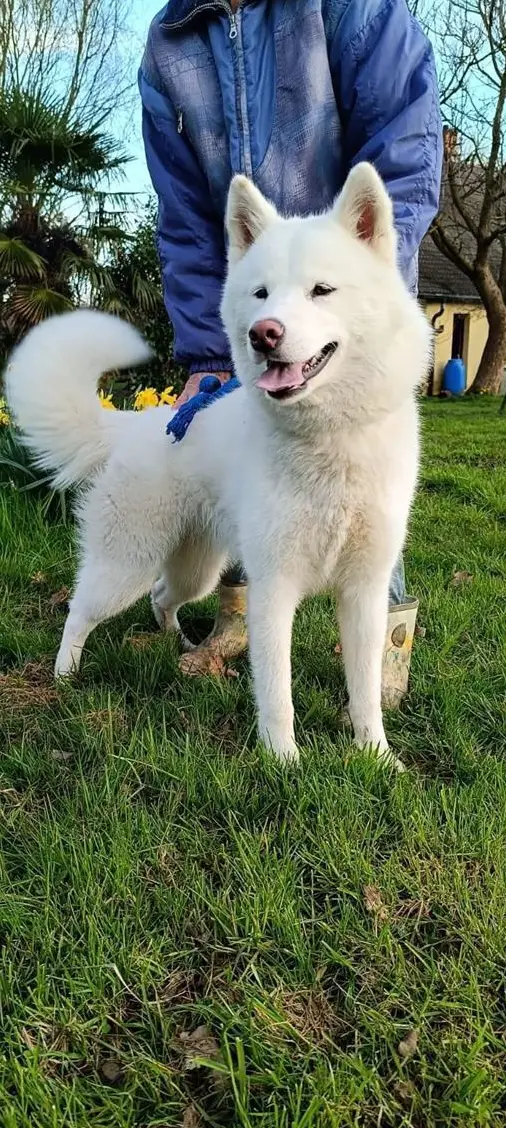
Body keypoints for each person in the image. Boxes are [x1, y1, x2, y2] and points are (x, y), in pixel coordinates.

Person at [139, 0, 442, 685]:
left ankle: (378, 634)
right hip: (255, 294)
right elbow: (188, 223)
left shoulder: (353, 7)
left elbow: (401, 149)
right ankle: (243, 607)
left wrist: (358, 281)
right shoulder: (166, 45)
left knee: (364, 466)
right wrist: (208, 353)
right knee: (263, 470)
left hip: (349, 293)